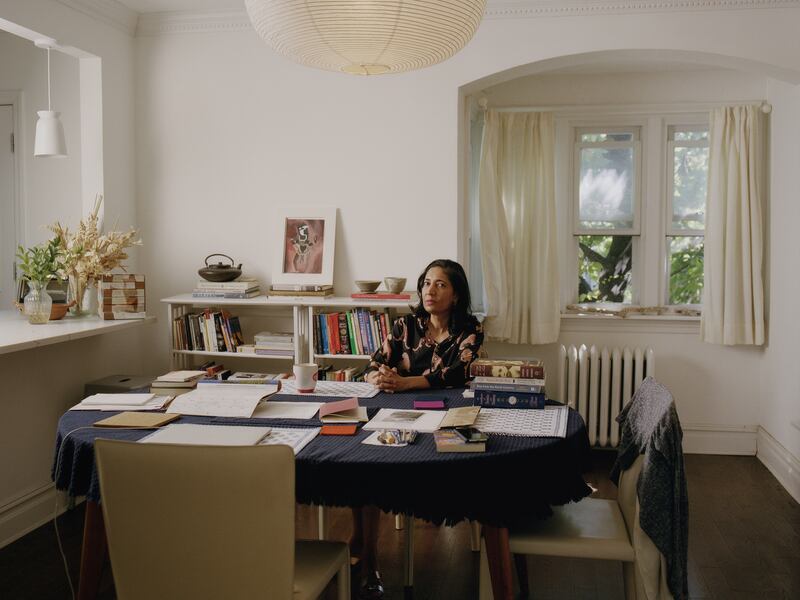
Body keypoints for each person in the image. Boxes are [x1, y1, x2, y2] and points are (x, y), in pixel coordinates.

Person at [351, 259, 484, 599]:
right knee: (366, 462)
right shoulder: (405, 326)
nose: (430, 290)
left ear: (455, 295)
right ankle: (367, 556)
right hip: (399, 411)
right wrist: (377, 376)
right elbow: (371, 364)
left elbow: (456, 374)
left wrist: (406, 382)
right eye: (426, 283)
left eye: (440, 284)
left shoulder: (471, 328)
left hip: (448, 413)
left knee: (431, 464)